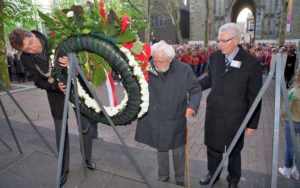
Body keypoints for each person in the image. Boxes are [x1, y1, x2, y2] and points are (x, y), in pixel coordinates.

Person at [8, 28, 96, 186]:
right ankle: (63, 169)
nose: (32, 48)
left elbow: (85, 58)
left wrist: (74, 63)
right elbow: (38, 81)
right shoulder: (26, 60)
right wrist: (56, 85)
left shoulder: (56, 37)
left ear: (33, 34)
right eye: (26, 49)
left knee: (85, 125)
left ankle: (88, 158)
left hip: (78, 87)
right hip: (55, 93)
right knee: (60, 131)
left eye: (31, 43)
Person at [198, 23, 262, 188]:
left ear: (237, 40)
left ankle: (233, 180)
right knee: (212, 148)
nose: (220, 44)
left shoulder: (251, 63)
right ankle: (213, 174)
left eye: (224, 41)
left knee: (233, 151)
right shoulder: (215, 57)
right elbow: (209, 79)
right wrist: (192, 86)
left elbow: (255, 97)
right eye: (218, 40)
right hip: (214, 114)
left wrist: (252, 123)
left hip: (235, 117)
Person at [135, 40, 202, 186]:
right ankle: (163, 177)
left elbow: (195, 90)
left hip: (176, 116)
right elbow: (137, 84)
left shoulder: (184, 70)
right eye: (155, 60)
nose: (157, 64)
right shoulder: (148, 67)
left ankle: (179, 179)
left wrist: (192, 107)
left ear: (170, 59)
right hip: (156, 117)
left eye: (161, 61)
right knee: (161, 148)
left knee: (178, 150)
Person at [278, 70, 300, 180]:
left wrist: (282, 117)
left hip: (292, 122)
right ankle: (297, 171)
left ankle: (287, 169)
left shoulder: (294, 92)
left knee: (290, 147)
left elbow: (286, 106)